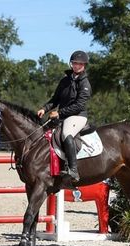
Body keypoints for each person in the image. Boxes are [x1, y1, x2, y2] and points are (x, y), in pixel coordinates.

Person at [37, 50, 92, 182]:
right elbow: (55, 99)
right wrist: (44, 109)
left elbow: (79, 106)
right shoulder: (65, 81)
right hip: (62, 116)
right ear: (71, 64)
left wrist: (59, 113)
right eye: (74, 63)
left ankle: (73, 170)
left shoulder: (85, 84)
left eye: (80, 64)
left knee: (66, 133)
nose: (77, 66)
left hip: (77, 116)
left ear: (84, 65)